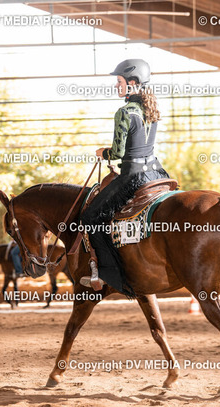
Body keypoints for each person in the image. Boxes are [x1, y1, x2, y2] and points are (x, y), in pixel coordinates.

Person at [80, 59, 170, 294]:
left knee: (91, 216)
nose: (116, 86)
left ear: (132, 83)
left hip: (133, 176)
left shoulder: (124, 112)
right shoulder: (152, 110)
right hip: (156, 173)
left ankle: (106, 273)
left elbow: (118, 153)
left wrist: (103, 153)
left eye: (119, 81)